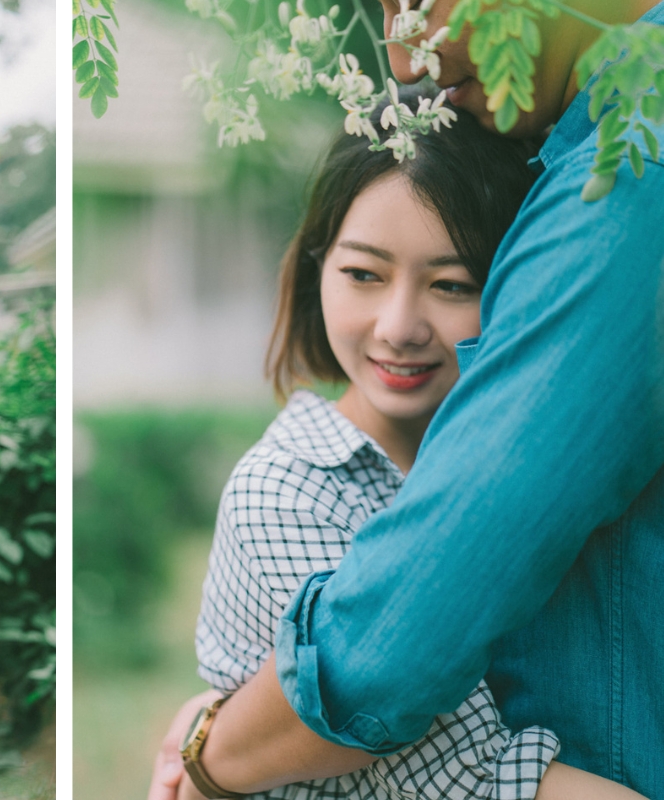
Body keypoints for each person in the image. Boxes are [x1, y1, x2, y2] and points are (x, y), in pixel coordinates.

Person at [151, 1, 664, 797]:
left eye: (454, 284)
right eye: (362, 273)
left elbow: (385, 664)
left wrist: (210, 748)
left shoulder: (629, 170)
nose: (401, 53)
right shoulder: (288, 489)